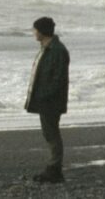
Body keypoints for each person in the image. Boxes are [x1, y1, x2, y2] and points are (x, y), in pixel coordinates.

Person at [25, 15, 70, 183]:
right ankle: (54, 168)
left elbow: (58, 79)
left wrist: (44, 95)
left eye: (35, 30)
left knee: (52, 133)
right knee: (49, 133)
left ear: (42, 32)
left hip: (51, 100)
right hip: (46, 99)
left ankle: (54, 169)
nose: (33, 33)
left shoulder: (57, 50)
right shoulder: (47, 48)